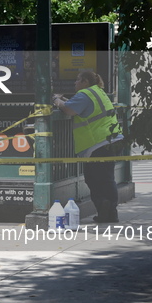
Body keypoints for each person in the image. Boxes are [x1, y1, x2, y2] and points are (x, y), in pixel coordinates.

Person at [52, 71, 123, 223]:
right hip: (113, 140)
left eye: (78, 80)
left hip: (99, 143)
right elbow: (77, 105)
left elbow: (70, 110)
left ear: (85, 82)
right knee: (107, 178)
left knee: (93, 179)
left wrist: (57, 100)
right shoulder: (98, 92)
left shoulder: (84, 94)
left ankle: (103, 207)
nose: (75, 83)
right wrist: (64, 99)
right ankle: (111, 212)